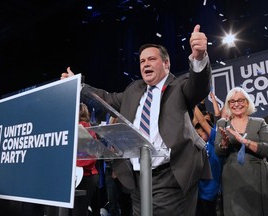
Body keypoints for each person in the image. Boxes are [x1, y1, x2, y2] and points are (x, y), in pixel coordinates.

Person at [62, 24, 212, 216]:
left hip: (171, 175)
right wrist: (78, 86)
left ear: (166, 64)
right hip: (138, 178)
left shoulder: (180, 85)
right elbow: (105, 98)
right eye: (142, 61)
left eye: (151, 59)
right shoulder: (134, 89)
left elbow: (199, 86)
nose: (145, 64)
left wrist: (199, 58)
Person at [214, 87, 268, 216]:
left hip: (257, 176)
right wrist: (224, 144)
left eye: (240, 100)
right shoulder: (223, 123)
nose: (236, 104)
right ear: (228, 105)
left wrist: (244, 141)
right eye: (232, 101)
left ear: (247, 102)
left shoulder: (259, 123)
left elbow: (266, 149)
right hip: (233, 177)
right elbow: (218, 152)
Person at [193, 106, 223, 216]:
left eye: (200, 135)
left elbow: (201, 120)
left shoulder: (213, 140)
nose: (198, 137)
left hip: (212, 193)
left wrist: (193, 103)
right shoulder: (194, 145)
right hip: (197, 193)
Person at [72, 103, 100, 216]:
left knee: (79, 211)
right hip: (80, 177)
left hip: (85, 177)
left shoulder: (83, 128)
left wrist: (71, 163)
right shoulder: (79, 127)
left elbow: (90, 157)